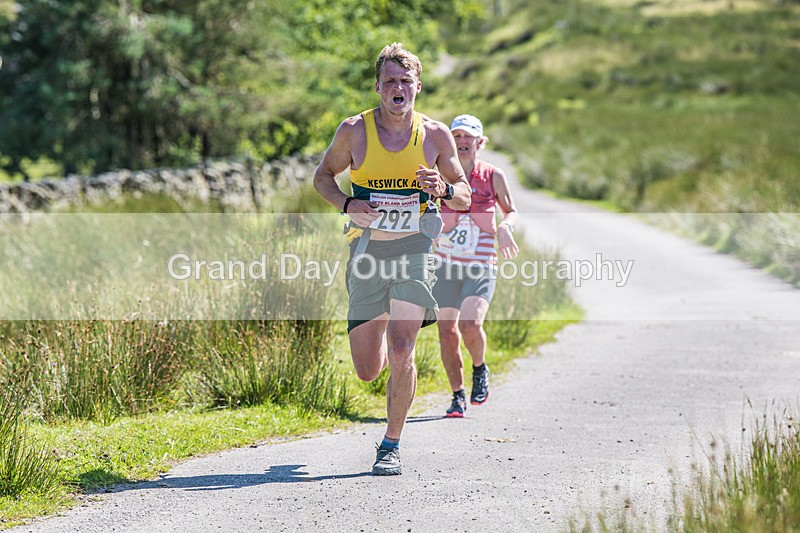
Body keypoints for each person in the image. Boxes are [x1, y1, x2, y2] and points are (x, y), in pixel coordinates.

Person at [313, 43, 471, 475]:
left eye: (405, 81)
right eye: (390, 82)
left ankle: (390, 444)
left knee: (403, 350)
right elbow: (322, 177)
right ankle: (381, 336)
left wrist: (441, 189)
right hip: (367, 251)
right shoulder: (354, 131)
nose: (397, 89)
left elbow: (464, 194)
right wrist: (348, 205)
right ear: (378, 87)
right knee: (368, 370)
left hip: (416, 250)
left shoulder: (435, 135)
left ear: (417, 86)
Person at [432, 114, 519, 418]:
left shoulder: (493, 175)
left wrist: (506, 226)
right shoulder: (439, 176)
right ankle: (457, 396)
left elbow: (511, 212)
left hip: (481, 265)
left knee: (470, 324)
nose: (463, 141)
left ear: (480, 142)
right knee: (446, 331)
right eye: (457, 136)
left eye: (469, 137)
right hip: (445, 266)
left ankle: (479, 369)